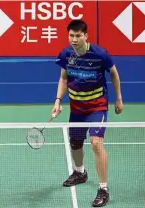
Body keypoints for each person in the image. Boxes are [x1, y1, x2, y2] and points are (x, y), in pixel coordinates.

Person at [52, 20, 123, 207]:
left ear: (86, 36)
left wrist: (118, 98)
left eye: (78, 36)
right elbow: (63, 78)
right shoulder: (66, 54)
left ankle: (103, 188)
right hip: (77, 107)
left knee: (96, 142)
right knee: (75, 142)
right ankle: (80, 172)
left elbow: (114, 74)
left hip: (97, 106)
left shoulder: (99, 54)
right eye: (71, 35)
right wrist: (58, 101)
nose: (74, 39)